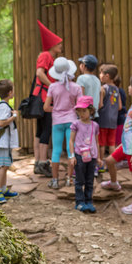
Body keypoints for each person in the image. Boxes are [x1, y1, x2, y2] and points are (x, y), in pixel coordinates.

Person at [101, 76, 132, 216]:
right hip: (127, 144)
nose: (128, 88)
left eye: (130, 86)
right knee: (110, 161)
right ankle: (114, 183)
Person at [44, 57, 82, 189]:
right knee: (71, 149)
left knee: (56, 150)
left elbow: (46, 107)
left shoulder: (53, 87)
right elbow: (80, 106)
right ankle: (69, 179)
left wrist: (56, 110)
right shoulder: (76, 87)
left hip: (57, 121)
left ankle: (55, 180)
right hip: (72, 120)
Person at [33, 20, 63, 177]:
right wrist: (53, 86)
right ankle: (43, 163)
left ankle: (38, 161)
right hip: (45, 97)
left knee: (40, 131)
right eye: (58, 43)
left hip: (43, 96)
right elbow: (39, 73)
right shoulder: (45, 55)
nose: (60, 45)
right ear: (51, 44)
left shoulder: (49, 56)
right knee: (46, 129)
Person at [69, 96, 101, 213]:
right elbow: (71, 140)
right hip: (79, 156)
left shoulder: (95, 126)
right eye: (79, 111)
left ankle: (89, 201)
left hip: (91, 157)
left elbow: (97, 142)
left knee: (89, 180)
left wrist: (98, 157)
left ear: (91, 111)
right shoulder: (76, 124)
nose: (81, 113)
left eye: (84, 110)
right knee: (79, 180)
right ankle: (79, 202)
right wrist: (72, 156)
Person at [0, 79, 20, 204]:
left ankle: (3, 190)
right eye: (13, 90)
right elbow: (1, 123)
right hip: (4, 142)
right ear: (10, 93)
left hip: (6, 142)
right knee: (3, 167)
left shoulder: (4, 105)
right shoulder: (3, 106)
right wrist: (13, 116)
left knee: (6, 165)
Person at [98, 64, 122, 169]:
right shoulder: (116, 89)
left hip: (103, 119)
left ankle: (101, 164)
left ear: (107, 76)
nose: (100, 75)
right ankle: (113, 164)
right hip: (113, 119)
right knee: (111, 143)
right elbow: (120, 106)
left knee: (102, 143)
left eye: (101, 73)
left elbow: (100, 104)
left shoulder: (103, 88)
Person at [76, 54, 101, 120]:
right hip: (94, 113)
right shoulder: (97, 80)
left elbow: (80, 96)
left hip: (84, 114)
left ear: (83, 66)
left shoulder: (81, 78)